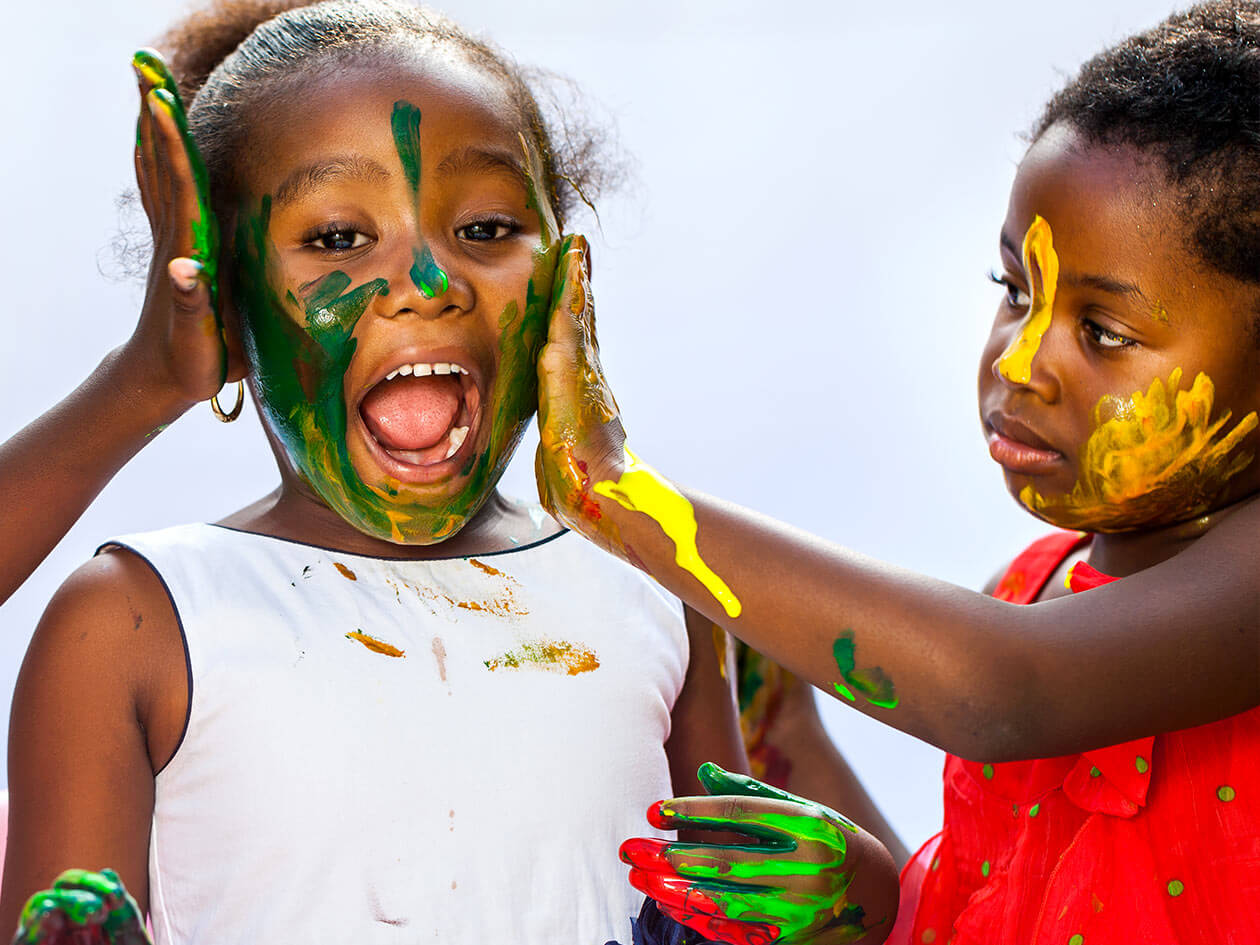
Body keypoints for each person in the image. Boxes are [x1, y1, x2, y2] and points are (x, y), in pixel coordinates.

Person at [0, 2, 900, 943]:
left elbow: (724, 912)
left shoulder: (656, 587)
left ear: (564, 268)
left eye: (485, 225)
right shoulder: (131, 622)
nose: (430, 281)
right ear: (227, 294)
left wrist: (858, 898)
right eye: (338, 238)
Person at [531, 2, 1260, 943]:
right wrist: (808, 769)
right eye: (1015, 291)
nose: (1018, 361)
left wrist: (621, 496)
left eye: (1104, 332)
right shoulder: (1033, 591)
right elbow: (982, 911)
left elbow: (1001, 690)